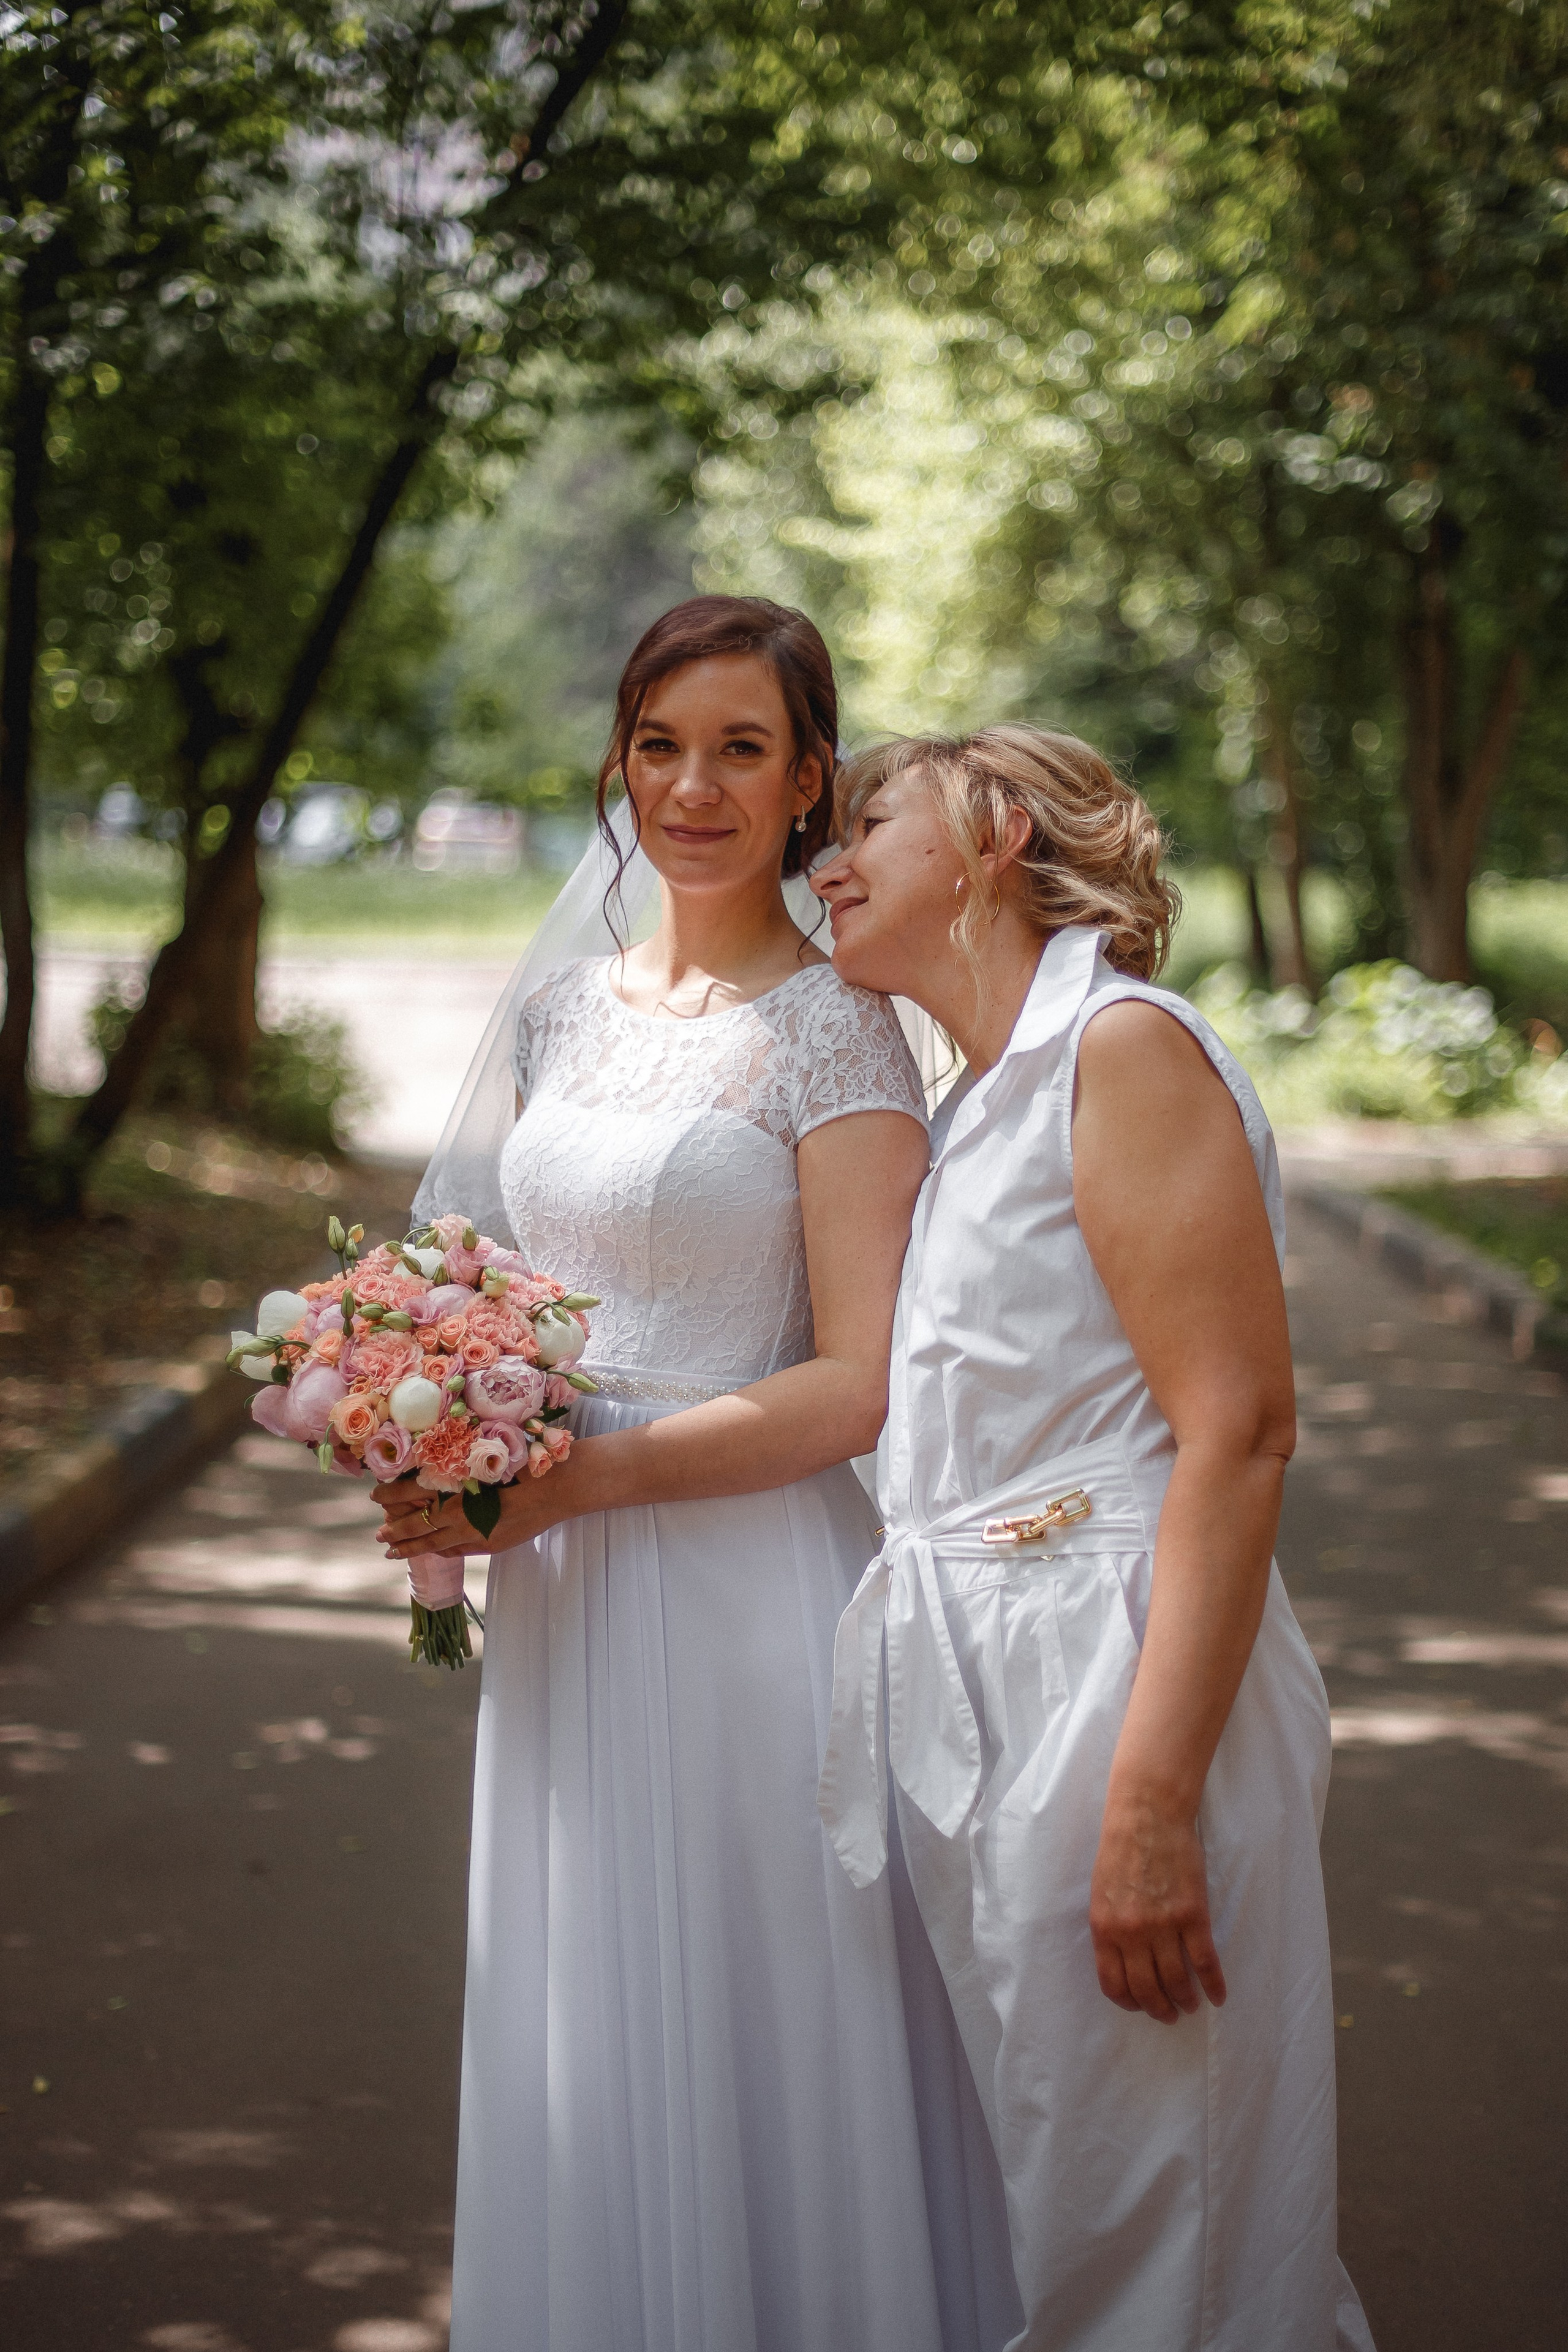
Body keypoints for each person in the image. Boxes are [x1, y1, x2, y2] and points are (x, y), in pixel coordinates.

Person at [376, 599, 1005, 2352]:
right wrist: (434, 1426)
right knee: (590, 2012)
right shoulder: (566, 1012)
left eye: (744, 749)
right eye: (663, 744)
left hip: (747, 1587)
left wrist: (574, 1481)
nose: (695, 787)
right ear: (619, 761)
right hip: (566, 1595)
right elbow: (492, 1281)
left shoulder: (835, 1033)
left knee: (756, 2010)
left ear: (813, 779)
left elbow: (857, 1386)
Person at [810, 725, 1377, 2352]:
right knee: (1086, 2211)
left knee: (1171, 2237)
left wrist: (1147, 1806)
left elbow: (1241, 1431)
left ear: (996, 833)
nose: (831, 861)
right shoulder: (985, 1095)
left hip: (1112, 1681)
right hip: (990, 1683)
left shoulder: (1119, 1050)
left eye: (870, 823)